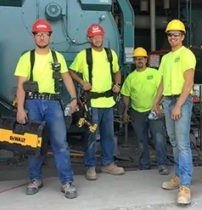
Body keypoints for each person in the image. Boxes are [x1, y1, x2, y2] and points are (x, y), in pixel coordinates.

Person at [14, 19, 78, 199]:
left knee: (60, 144)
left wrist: (74, 99)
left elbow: (67, 79)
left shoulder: (57, 57)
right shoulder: (27, 58)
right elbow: (20, 85)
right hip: (33, 103)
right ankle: (35, 179)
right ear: (34, 36)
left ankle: (67, 181)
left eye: (45, 34)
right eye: (38, 34)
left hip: (53, 104)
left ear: (50, 36)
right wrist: (20, 108)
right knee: (35, 144)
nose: (42, 37)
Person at [69, 23, 125, 181]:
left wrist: (117, 84)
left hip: (108, 103)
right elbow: (71, 71)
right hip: (92, 104)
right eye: (94, 37)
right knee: (91, 136)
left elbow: (117, 71)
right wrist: (82, 82)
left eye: (100, 36)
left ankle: (108, 164)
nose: (98, 39)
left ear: (103, 37)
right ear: (89, 38)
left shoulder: (110, 53)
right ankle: (90, 166)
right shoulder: (83, 55)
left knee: (108, 135)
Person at [152, 19, 196, 205]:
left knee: (183, 144)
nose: (172, 38)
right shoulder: (166, 58)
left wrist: (178, 105)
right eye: (170, 35)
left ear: (183, 36)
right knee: (175, 142)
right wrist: (156, 102)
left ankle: (185, 186)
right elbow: (162, 82)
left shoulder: (187, 55)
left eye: (176, 35)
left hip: (181, 101)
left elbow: (188, 82)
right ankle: (178, 177)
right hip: (169, 101)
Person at [120, 47, 169, 175]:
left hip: (155, 111)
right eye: (136, 59)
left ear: (146, 60)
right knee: (142, 141)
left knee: (159, 138)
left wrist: (159, 105)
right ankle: (144, 165)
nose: (139, 61)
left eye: (141, 58)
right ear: (134, 61)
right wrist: (126, 109)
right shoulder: (131, 78)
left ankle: (162, 164)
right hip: (137, 113)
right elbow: (126, 94)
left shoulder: (155, 73)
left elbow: (163, 89)